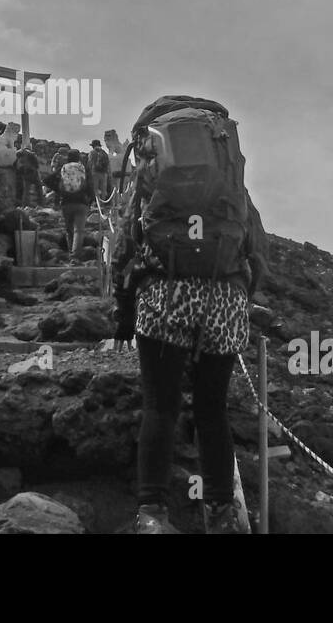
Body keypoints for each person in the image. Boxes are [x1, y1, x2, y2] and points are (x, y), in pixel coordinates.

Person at [110, 96, 269, 535]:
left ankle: (152, 515)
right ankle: (221, 514)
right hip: (224, 299)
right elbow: (258, 248)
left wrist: (124, 311)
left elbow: (124, 241)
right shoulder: (230, 184)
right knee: (212, 409)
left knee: (160, 407)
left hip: (164, 293)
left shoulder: (150, 173)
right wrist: (240, 294)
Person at [56, 149, 94, 264]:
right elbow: (89, 183)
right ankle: (75, 255)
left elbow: (59, 184)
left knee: (69, 230)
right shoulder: (82, 167)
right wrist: (91, 199)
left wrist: (57, 200)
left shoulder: (64, 168)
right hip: (81, 202)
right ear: (78, 157)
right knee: (79, 230)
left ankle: (69, 252)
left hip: (66, 202)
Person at [12, 139, 41, 206]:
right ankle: (40, 204)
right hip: (31, 172)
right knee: (37, 188)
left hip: (23, 172)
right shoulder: (32, 155)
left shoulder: (18, 154)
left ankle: (24, 205)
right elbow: (36, 165)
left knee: (26, 190)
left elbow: (15, 164)